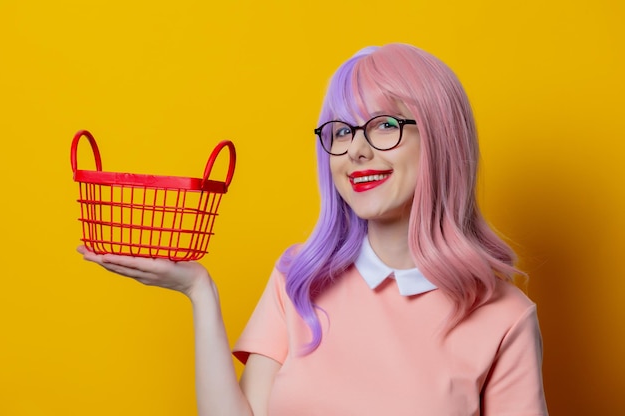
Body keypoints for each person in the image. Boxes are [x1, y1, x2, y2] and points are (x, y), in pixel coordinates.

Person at [78, 43, 548, 415]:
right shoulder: (298, 276)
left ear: (442, 137)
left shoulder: (504, 318)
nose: (356, 150)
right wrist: (200, 292)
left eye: (384, 124)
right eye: (341, 131)